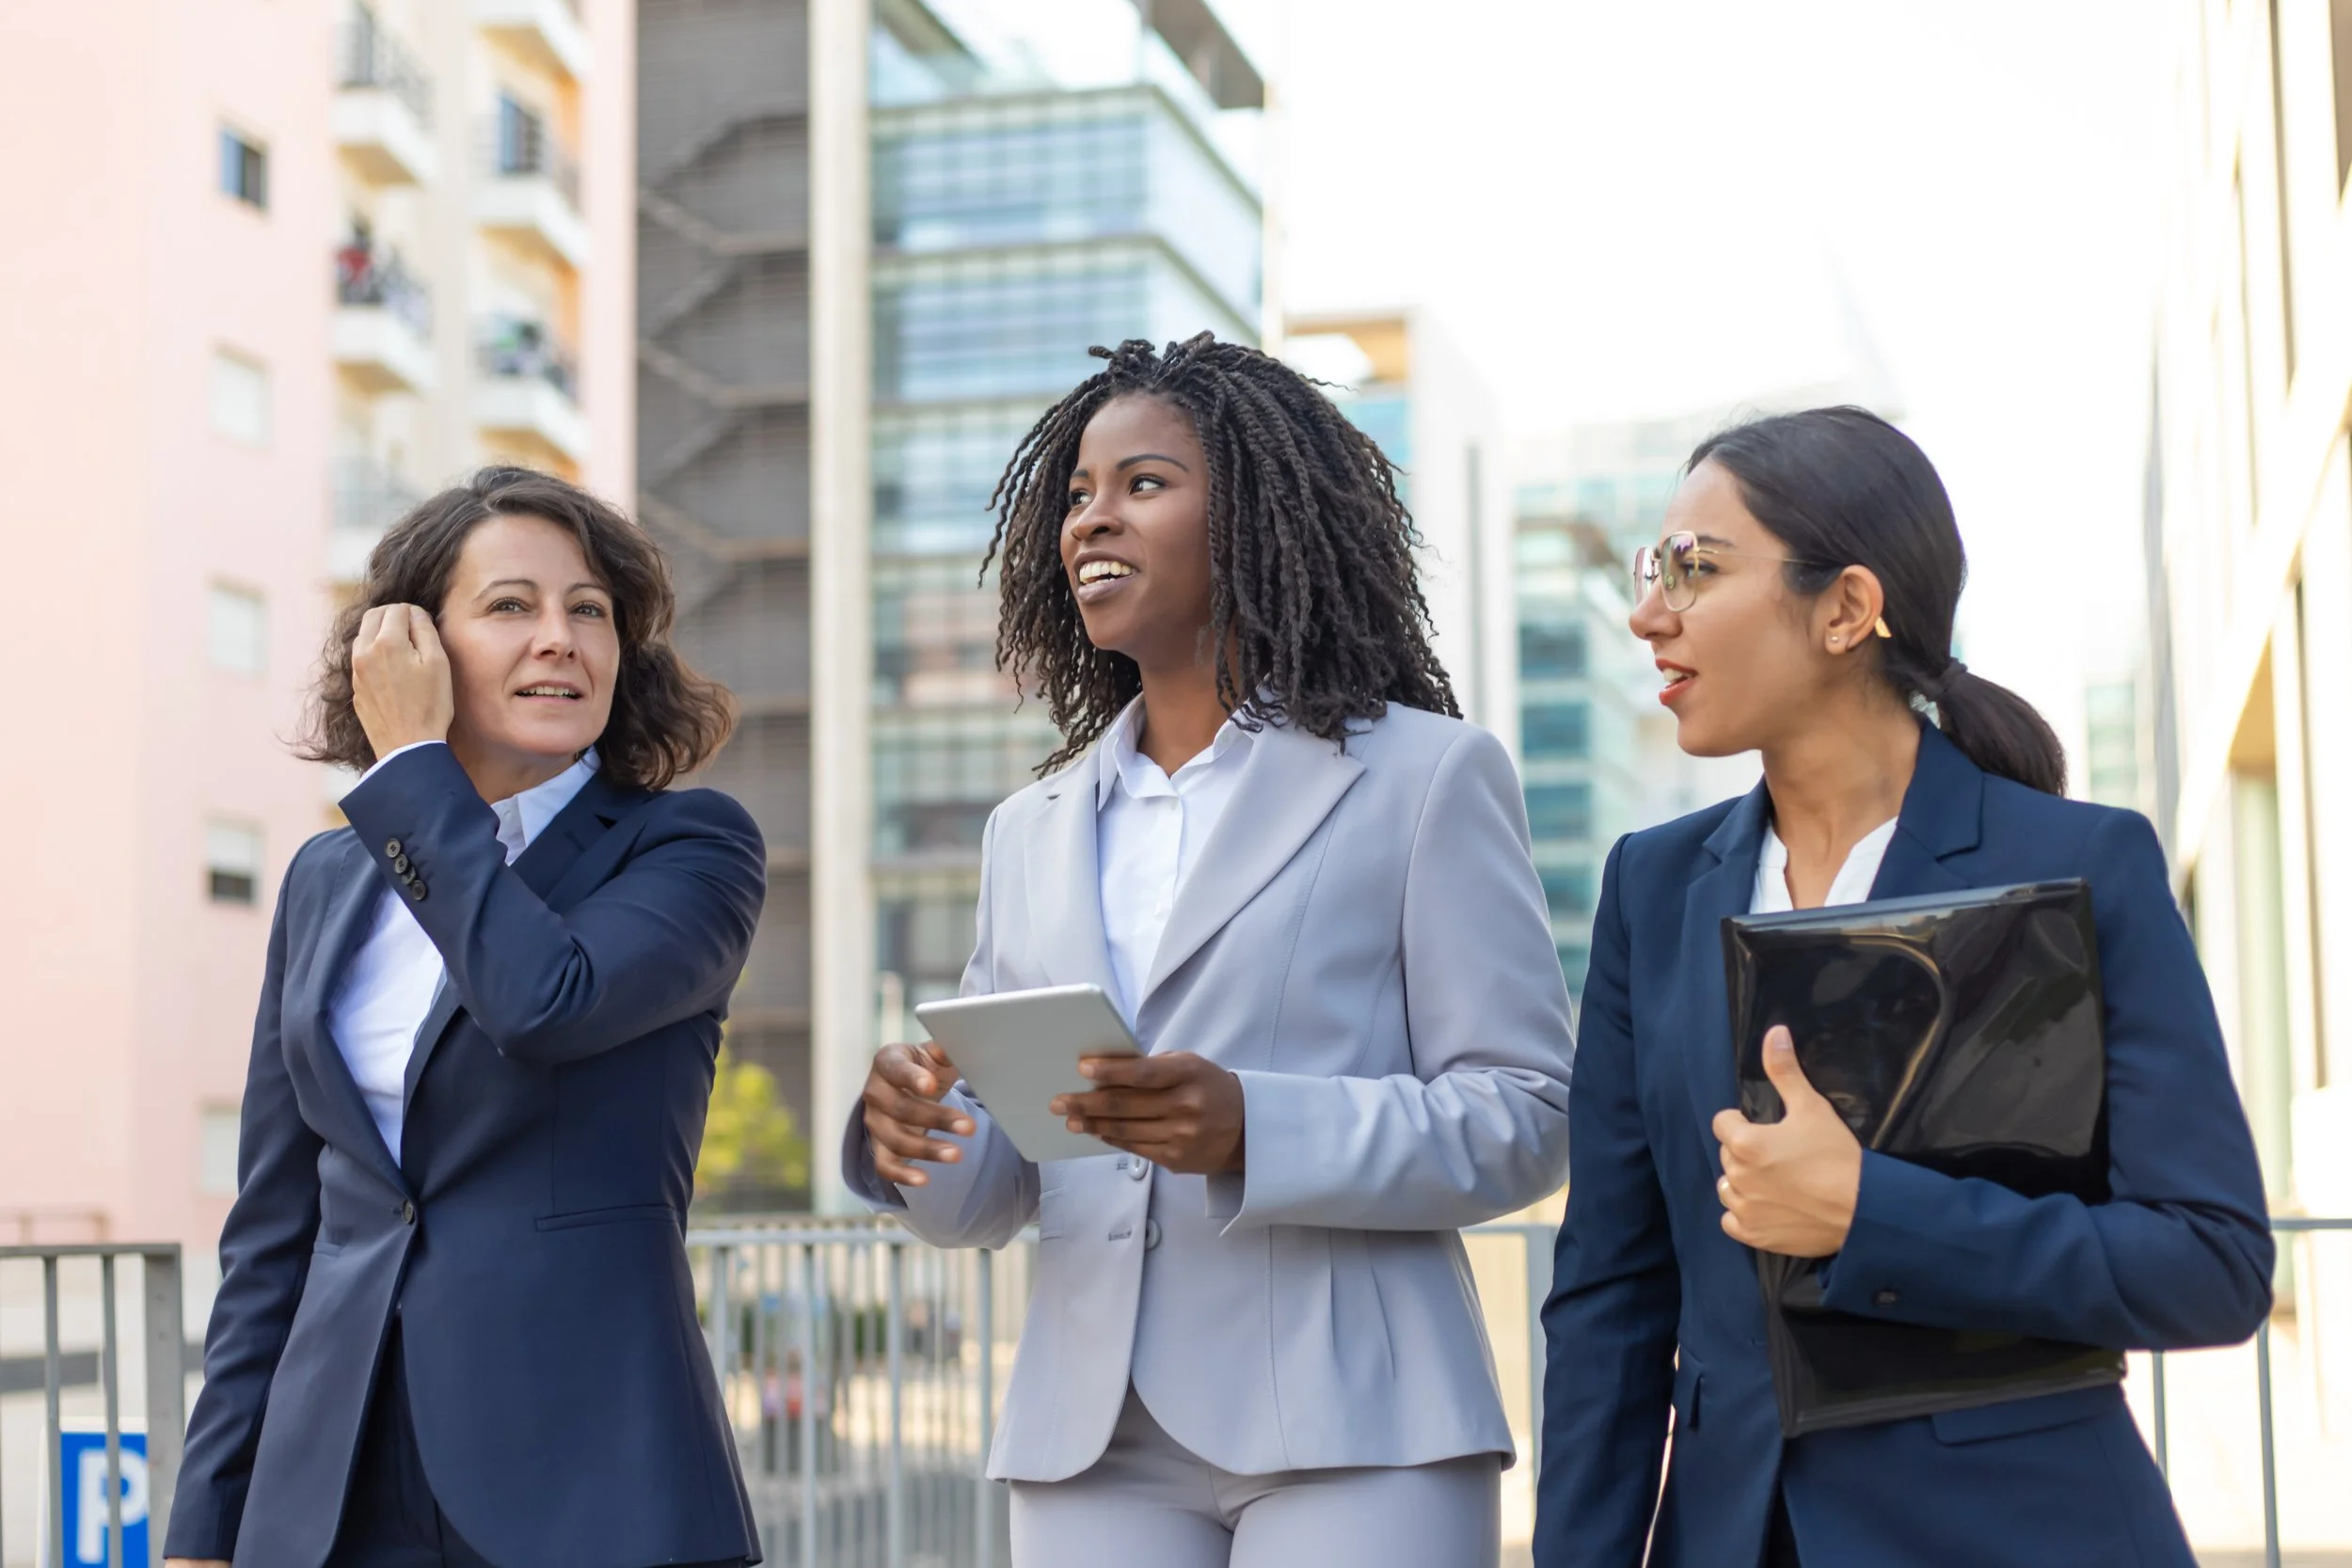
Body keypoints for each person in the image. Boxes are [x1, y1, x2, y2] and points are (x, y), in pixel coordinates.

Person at [842, 334, 1576, 1568]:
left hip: (1359, 1421)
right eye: (1075, 493)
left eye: (1143, 482)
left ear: (1256, 512)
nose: (1090, 518)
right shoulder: (1031, 827)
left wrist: (1255, 1127)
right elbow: (1002, 1184)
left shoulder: (1426, 775)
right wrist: (914, 1134)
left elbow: (1526, 1111)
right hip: (1090, 1433)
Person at [1534, 407, 2274, 1568]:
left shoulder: (2082, 863)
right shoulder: (1650, 887)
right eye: (1652, 569)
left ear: (1845, 607)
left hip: (2022, 1530)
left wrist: (1869, 1213)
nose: (1648, 613)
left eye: (1695, 567)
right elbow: (1609, 1300)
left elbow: (2211, 1263)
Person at [163, 468, 766, 1568]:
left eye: (589, 609)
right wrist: (207, 1521)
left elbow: (542, 999)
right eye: (510, 605)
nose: (561, 638)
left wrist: (413, 771)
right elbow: (276, 1224)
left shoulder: (689, 848)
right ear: (412, 646)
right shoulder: (325, 879)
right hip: (330, 1485)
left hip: (583, 1480)